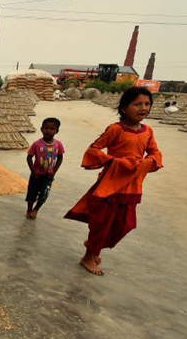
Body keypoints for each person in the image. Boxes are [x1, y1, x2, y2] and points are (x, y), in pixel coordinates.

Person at [65, 87, 163, 276]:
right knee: (102, 221)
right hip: (110, 185)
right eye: (137, 104)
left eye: (147, 104)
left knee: (124, 224)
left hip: (132, 185)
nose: (143, 108)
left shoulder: (148, 131)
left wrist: (149, 162)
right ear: (124, 108)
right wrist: (113, 161)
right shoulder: (116, 129)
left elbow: (155, 152)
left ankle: (94, 246)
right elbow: (94, 150)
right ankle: (88, 256)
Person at [26, 118, 65, 219]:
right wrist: (33, 171)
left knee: (45, 193)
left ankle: (36, 210)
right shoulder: (37, 144)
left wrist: (54, 171)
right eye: (46, 128)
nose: (48, 131)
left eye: (52, 129)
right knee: (32, 193)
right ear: (41, 129)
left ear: (57, 131)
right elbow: (29, 157)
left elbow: (60, 157)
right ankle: (29, 209)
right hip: (36, 174)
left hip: (49, 175)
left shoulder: (58, 145)